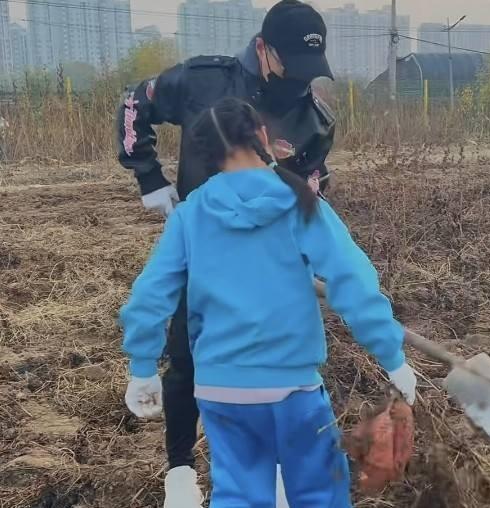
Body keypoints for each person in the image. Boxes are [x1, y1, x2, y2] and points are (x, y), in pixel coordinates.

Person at [120, 97, 417, 508]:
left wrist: (142, 367)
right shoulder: (300, 202)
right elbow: (352, 280)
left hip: (221, 390)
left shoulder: (190, 215)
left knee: (239, 495)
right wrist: (392, 356)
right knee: (319, 493)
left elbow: (150, 295)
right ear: (261, 135)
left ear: (207, 154)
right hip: (293, 388)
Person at [116, 1, 335, 505]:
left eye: (310, 72)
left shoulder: (315, 120)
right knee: (187, 357)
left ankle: (269, 468)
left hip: (265, 267)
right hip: (199, 253)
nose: (300, 82)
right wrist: (150, 177)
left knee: (270, 363)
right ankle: (180, 475)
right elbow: (134, 103)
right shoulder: (203, 83)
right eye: (291, 67)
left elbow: (312, 187)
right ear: (263, 49)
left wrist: (301, 251)